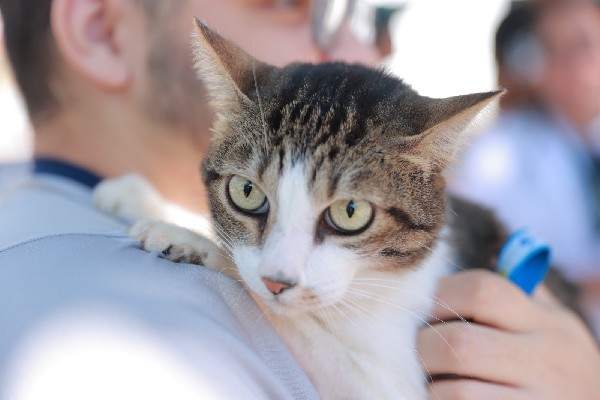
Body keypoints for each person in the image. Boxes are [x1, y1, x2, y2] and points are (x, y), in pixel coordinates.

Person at [0, 1, 598, 399]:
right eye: (287, 5)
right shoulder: (90, 334)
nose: (350, 43)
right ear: (101, 28)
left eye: (347, 214)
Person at [449, 0, 600, 338]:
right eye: (561, 50)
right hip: (558, 336)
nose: (583, 62)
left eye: (589, 43)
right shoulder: (498, 154)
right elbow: (487, 259)